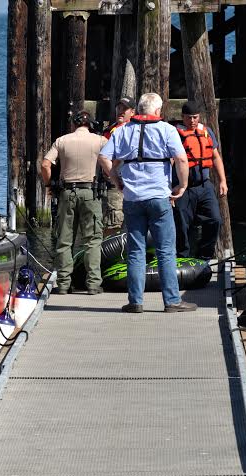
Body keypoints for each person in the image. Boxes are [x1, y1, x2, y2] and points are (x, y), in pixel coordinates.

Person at [98, 92, 197, 313]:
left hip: (133, 199)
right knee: (165, 250)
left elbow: (104, 157)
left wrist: (117, 181)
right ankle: (171, 301)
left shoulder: (123, 131)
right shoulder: (167, 130)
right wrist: (182, 185)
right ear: (158, 111)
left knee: (135, 251)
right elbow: (181, 159)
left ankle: (135, 302)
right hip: (158, 198)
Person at [41, 110, 107, 295]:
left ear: (73, 124)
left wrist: (49, 185)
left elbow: (45, 164)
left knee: (64, 240)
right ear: (91, 124)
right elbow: (111, 161)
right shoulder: (100, 141)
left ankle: (63, 284)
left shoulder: (62, 141)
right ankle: (93, 284)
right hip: (90, 192)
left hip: (67, 193)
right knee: (93, 240)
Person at [174, 100, 229, 259]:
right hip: (183, 187)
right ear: (182, 117)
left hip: (204, 186)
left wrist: (222, 181)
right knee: (182, 225)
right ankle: (181, 257)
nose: (192, 121)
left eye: (195, 117)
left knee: (215, 220)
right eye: (189, 118)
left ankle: (204, 257)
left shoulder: (206, 132)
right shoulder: (176, 134)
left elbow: (216, 157)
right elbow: (170, 161)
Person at [100, 97, 136, 234]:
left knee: (124, 219)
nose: (120, 112)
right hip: (113, 184)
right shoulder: (110, 130)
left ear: (132, 112)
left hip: (129, 182)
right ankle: (114, 252)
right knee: (112, 220)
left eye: (124, 109)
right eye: (119, 108)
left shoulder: (135, 131)